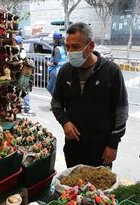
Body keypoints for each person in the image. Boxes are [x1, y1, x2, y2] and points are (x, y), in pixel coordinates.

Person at [51, 22, 128, 168]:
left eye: (76, 47)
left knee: (99, 189)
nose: (70, 51)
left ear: (91, 46)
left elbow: (121, 112)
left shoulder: (111, 72)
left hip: (101, 149)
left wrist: (113, 144)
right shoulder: (65, 71)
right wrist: (64, 122)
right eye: (68, 47)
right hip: (73, 147)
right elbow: (56, 103)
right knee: (73, 188)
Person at [14, 36, 35, 117]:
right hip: (22, 73)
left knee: (19, 90)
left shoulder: (14, 49)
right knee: (25, 90)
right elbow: (23, 58)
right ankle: (26, 109)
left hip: (16, 73)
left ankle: (19, 107)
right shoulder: (20, 50)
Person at [46, 32, 67, 96]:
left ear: (55, 39)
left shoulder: (57, 49)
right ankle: (57, 100)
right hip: (60, 70)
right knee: (49, 88)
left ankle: (57, 102)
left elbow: (56, 63)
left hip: (56, 71)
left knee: (56, 89)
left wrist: (49, 63)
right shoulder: (63, 48)